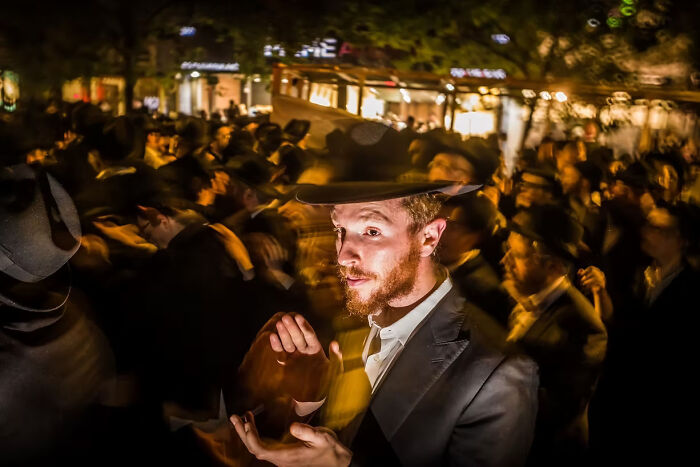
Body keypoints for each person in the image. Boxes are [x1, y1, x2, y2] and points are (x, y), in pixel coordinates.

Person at [231, 180, 539, 466]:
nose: (342, 255)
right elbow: (346, 435)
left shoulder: (497, 373)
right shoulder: (355, 317)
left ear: (428, 237)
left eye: (371, 231)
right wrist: (314, 399)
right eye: (339, 230)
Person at [501, 204, 607, 467]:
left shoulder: (583, 330)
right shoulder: (524, 294)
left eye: (516, 256)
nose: (505, 262)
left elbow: (554, 412)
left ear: (554, 267)